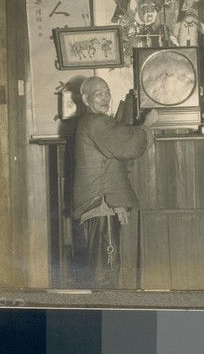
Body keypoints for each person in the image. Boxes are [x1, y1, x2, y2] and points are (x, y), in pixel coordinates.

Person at [72, 76, 158, 289]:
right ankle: (104, 311)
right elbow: (127, 145)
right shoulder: (97, 122)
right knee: (106, 270)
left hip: (101, 203)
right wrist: (147, 125)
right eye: (98, 94)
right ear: (85, 98)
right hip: (101, 205)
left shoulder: (91, 122)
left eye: (107, 92)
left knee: (102, 266)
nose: (105, 98)